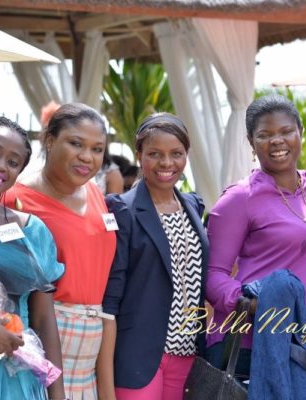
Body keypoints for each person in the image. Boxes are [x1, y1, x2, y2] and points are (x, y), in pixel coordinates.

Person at [206, 95, 306, 395]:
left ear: (300, 131)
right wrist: (256, 306)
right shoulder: (240, 197)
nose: (277, 141)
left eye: (285, 131)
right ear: (251, 141)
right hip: (254, 339)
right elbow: (213, 275)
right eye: (264, 135)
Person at [4, 103, 117, 400]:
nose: (87, 157)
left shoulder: (93, 191)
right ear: (50, 140)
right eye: (76, 143)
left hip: (92, 341)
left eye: (97, 149)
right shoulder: (16, 198)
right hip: (44, 336)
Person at [100, 113, 209, 400]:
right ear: (139, 155)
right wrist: (105, 384)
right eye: (155, 154)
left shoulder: (193, 206)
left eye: (176, 154)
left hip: (188, 352)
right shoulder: (122, 210)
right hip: (138, 356)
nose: (166, 163)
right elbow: (110, 301)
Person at [0, 116, 65, 399]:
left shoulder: (33, 232)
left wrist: (57, 394)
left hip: (16, 376)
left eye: (13, 162)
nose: (0, 165)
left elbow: (43, 319)